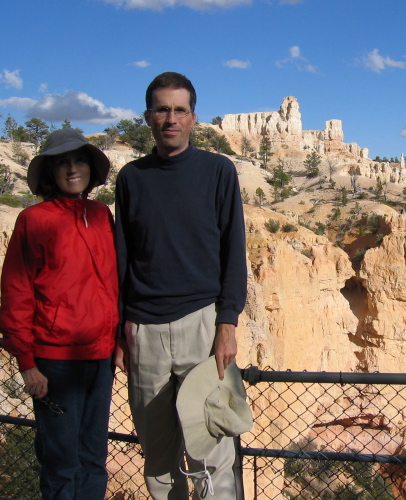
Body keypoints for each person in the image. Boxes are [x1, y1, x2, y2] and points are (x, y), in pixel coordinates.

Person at [114, 71, 248, 499]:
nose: (170, 118)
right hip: (144, 333)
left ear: (194, 117)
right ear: (148, 117)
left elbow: (234, 250)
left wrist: (226, 323)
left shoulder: (218, 171)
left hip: (201, 328)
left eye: (179, 110)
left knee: (212, 449)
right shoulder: (131, 178)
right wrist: (120, 330)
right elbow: (123, 259)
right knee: (157, 455)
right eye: (162, 109)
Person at [0, 129, 118, 500]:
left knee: (93, 459)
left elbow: (114, 283)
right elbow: (16, 293)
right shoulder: (33, 220)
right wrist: (27, 362)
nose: (71, 169)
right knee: (61, 464)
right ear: (50, 171)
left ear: (90, 168)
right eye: (62, 162)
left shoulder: (100, 216)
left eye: (78, 160)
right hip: (55, 362)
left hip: (100, 358)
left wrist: (119, 342)